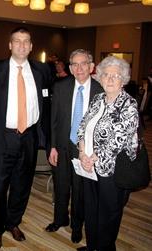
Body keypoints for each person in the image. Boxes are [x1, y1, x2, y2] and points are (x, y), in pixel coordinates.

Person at [0, 27, 51, 249]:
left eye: (26, 41)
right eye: (17, 41)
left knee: (22, 184)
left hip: (29, 137)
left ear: (31, 46)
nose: (22, 45)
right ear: (10, 45)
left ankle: (13, 222)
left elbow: (48, 101)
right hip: (3, 137)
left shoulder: (42, 71)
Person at [78, 56, 139, 251]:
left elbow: (118, 140)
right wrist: (81, 152)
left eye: (116, 76)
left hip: (113, 169)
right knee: (92, 208)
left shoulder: (129, 105)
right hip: (88, 165)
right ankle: (92, 245)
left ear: (124, 79)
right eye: (106, 75)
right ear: (100, 77)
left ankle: (105, 247)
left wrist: (93, 157)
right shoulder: (97, 99)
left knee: (109, 212)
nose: (110, 79)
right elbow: (82, 127)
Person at [46, 49, 103, 244]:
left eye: (83, 63)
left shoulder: (100, 90)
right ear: (70, 68)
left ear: (91, 66)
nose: (79, 68)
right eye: (75, 65)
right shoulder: (60, 86)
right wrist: (52, 146)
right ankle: (59, 219)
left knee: (80, 191)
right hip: (62, 146)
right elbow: (53, 120)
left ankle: (77, 226)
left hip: (85, 150)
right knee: (61, 185)